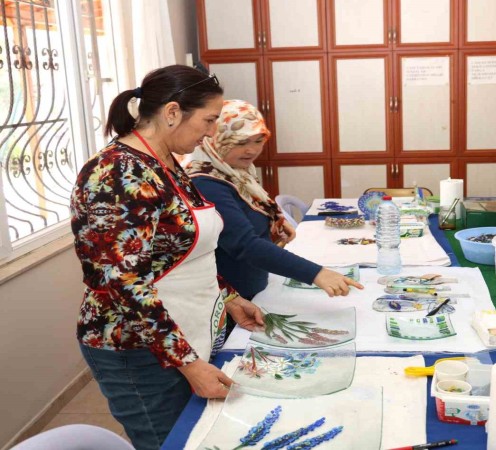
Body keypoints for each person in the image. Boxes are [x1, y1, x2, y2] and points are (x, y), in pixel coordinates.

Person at [70, 66, 264, 450]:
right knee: (172, 442)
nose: (212, 132)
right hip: (137, 347)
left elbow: (182, 252)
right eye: (209, 120)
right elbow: (123, 281)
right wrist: (187, 362)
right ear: (173, 112)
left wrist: (228, 296)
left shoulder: (165, 162)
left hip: (176, 334)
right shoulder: (117, 173)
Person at [185, 99, 364, 303]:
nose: (252, 150)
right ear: (215, 139)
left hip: (254, 288)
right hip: (233, 300)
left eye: (258, 140)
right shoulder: (207, 183)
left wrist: (274, 220)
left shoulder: (236, 172)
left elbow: (250, 210)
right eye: (240, 142)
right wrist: (317, 273)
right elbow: (245, 244)